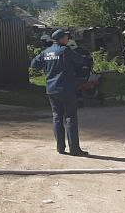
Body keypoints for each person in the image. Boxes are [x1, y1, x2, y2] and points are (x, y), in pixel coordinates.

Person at [29, 28, 92, 156]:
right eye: (66, 37)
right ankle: (74, 149)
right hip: (66, 89)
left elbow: (34, 64)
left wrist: (47, 68)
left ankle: (60, 148)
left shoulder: (46, 52)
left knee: (57, 118)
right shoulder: (65, 50)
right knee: (70, 118)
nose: (67, 39)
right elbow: (80, 61)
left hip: (51, 89)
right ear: (61, 39)